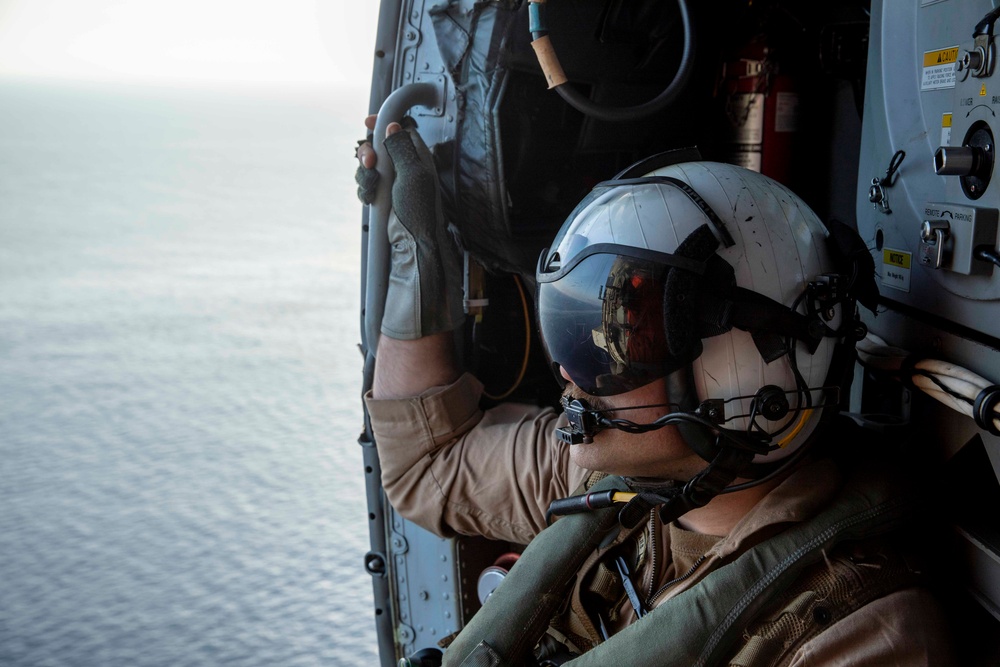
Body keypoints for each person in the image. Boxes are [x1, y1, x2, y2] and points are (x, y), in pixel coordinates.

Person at [357, 117, 955, 666]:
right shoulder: (612, 478)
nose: (568, 375)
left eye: (617, 350)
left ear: (752, 375)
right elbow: (428, 464)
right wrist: (419, 255)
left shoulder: (858, 633)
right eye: (577, 332)